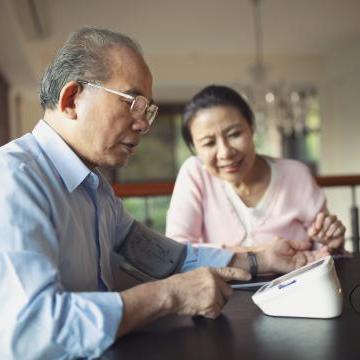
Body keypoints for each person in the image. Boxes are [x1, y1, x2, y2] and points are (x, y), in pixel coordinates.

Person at [0, 28, 328, 359]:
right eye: (132, 103)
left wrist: (261, 258)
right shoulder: (14, 178)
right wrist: (168, 295)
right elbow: (34, 330)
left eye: (147, 110)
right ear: (72, 100)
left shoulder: (96, 191)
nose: (143, 124)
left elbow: (166, 258)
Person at [166, 85, 345, 252]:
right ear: (194, 148)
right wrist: (259, 255)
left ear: (252, 129)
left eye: (234, 134)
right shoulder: (195, 173)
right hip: (224, 286)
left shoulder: (296, 174)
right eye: (209, 143)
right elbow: (178, 251)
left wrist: (331, 243)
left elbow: (322, 248)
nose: (225, 153)